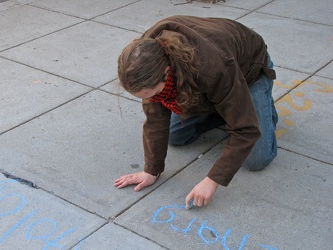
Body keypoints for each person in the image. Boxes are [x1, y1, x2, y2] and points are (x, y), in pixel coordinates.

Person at [114, 15, 278, 209]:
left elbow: (246, 130)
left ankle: (256, 106)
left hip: (249, 67)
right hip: (211, 69)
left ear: (167, 73)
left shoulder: (213, 68)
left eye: (153, 94)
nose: (152, 99)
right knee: (177, 136)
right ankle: (225, 107)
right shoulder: (144, 59)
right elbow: (155, 118)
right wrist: (152, 170)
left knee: (257, 159)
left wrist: (212, 180)